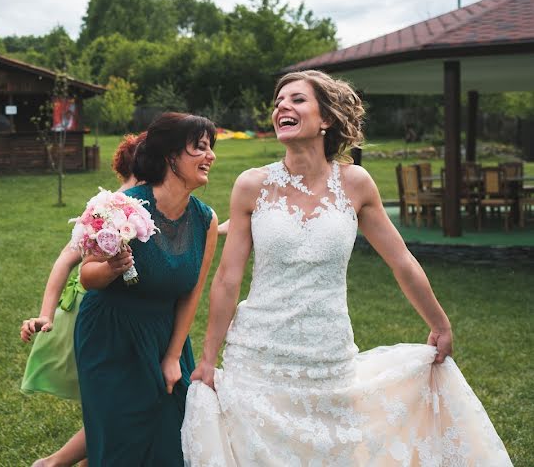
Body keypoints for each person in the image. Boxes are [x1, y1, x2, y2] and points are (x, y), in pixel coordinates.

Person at [182, 70, 512, 465]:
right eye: (278, 102)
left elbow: (401, 261)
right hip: (258, 355)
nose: (282, 106)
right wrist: (207, 358)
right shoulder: (252, 185)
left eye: (297, 100)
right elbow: (227, 279)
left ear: (326, 119)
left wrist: (439, 323)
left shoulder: (356, 183)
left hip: (328, 354)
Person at [74, 113, 219, 466]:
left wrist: (172, 356)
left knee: (172, 443)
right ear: (170, 155)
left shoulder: (206, 220)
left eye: (211, 148)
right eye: (199, 147)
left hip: (166, 337)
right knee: (119, 443)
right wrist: (111, 268)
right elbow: (86, 275)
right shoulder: (118, 207)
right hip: (111, 335)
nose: (211, 156)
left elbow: (191, 294)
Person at [20, 133, 145, 467]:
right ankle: (51, 464)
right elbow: (66, 258)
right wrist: (46, 314)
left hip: (120, 314)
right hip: (96, 313)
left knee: (115, 408)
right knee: (118, 407)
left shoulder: (149, 203)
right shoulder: (108, 207)